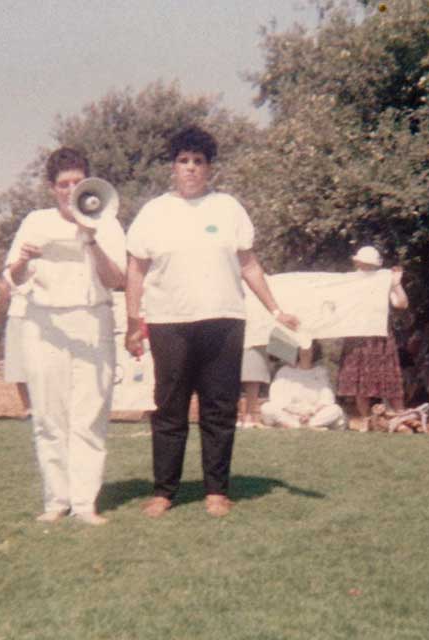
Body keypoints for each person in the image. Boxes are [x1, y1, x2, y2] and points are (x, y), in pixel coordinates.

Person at [124, 125, 299, 519]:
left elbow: (248, 263)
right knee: (169, 409)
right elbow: (135, 268)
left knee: (219, 409)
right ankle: (164, 490)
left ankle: (216, 490)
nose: (190, 169)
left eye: (198, 162)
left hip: (224, 321)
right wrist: (134, 320)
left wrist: (275, 309)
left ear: (208, 168)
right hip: (170, 323)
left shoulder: (228, 208)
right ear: (173, 167)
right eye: (183, 161)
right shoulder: (154, 212)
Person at [5, 147, 126, 526]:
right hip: (44, 325)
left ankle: (85, 502)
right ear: (51, 188)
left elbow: (116, 279)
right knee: (48, 415)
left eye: (77, 183)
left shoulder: (106, 221)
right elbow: (11, 279)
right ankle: (56, 500)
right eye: (63, 185)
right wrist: (23, 261)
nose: (70, 190)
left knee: (88, 415)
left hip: (92, 320)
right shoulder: (34, 222)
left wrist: (90, 239)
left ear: (88, 184)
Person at [336, 246, 409, 430]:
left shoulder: (384, 281)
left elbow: (401, 303)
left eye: (369, 265)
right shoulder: (349, 282)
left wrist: (396, 283)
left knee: (390, 380)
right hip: (358, 334)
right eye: (363, 264)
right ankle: (367, 420)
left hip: (380, 335)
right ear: (357, 263)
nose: (366, 268)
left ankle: (402, 418)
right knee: (361, 382)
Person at [260, 341, 344, 430]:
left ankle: (307, 425)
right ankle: (302, 426)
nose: (305, 352)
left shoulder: (320, 372)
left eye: (309, 350)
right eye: (302, 349)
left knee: (336, 410)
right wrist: (294, 413)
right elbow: (276, 398)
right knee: (267, 408)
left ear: (315, 352)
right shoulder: (285, 371)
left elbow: (327, 398)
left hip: (313, 415)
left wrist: (311, 413)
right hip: (289, 414)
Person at [0, 277, 32, 420]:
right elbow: (5, 287)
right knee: (19, 363)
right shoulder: (15, 255)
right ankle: (28, 408)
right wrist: (0, 311)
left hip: (47, 314)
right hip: (19, 312)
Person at [237, 346, 270, 428]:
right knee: (231, 377)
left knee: (253, 376)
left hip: (257, 342)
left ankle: (249, 416)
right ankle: (235, 416)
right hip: (233, 341)